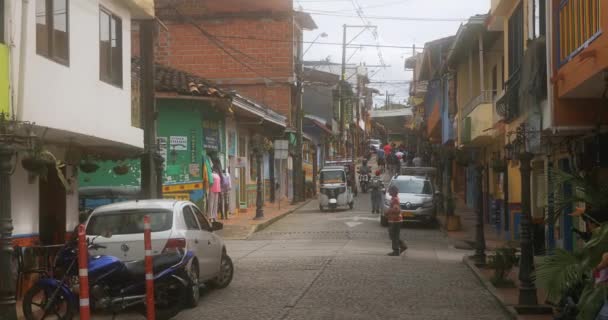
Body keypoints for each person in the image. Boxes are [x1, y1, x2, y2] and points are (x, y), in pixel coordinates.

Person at [386, 185, 407, 256]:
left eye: (390, 190)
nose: (388, 191)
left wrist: (388, 211)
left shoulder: (395, 199)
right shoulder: (393, 198)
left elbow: (397, 210)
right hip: (395, 220)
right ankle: (401, 247)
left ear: (393, 192)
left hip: (395, 220)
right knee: (393, 235)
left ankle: (396, 250)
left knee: (393, 236)